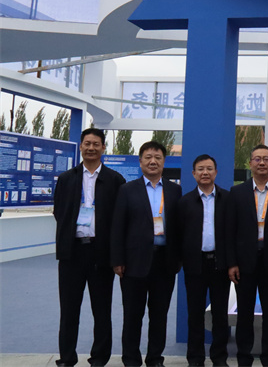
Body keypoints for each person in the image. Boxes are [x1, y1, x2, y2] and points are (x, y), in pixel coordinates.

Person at [53, 128, 126, 367]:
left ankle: (99, 358)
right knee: (69, 310)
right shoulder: (67, 178)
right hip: (72, 252)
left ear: (103, 147)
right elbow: (59, 212)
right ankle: (67, 358)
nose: (91, 148)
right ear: (81, 146)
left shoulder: (115, 180)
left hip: (101, 253)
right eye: (87, 143)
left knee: (102, 310)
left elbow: (120, 219)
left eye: (96, 144)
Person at [111, 141, 182, 367]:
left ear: (164, 162)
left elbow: (179, 227)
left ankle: (155, 358)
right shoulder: (127, 190)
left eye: (158, 157)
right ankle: (131, 359)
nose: (153, 161)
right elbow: (117, 227)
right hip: (134, 263)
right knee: (133, 315)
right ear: (140, 162)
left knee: (159, 315)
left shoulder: (174, 190)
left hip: (164, 262)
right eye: (148, 157)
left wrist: (178, 259)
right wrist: (118, 260)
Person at [226, 145, 268, 367]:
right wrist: (232, 262)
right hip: (245, 263)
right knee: (244, 314)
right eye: (257, 159)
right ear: (250, 163)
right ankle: (244, 358)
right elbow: (230, 230)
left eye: (266, 159)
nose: (261, 163)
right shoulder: (237, 193)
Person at [177, 154, 230, 367]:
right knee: (195, 314)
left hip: (220, 264)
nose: (205, 173)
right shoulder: (184, 202)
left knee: (220, 315)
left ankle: (219, 358)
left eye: (209, 169)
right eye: (200, 169)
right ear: (193, 174)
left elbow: (233, 233)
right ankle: (195, 358)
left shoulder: (228, 199)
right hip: (195, 265)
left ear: (216, 172)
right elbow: (179, 235)